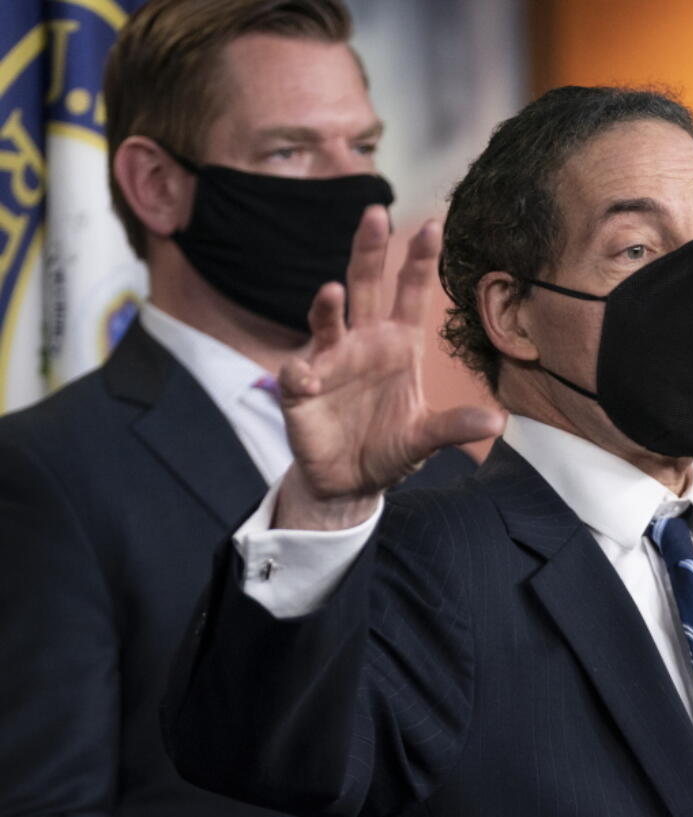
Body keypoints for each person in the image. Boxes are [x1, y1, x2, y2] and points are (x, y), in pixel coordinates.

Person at [161, 85, 693, 817]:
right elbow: (263, 757)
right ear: (511, 313)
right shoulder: (424, 561)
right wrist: (323, 506)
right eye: (635, 249)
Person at [0, 1, 473, 813]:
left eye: (361, 147)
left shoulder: (444, 475)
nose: (354, 189)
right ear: (157, 185)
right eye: (291, 150)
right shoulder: (43, 473)